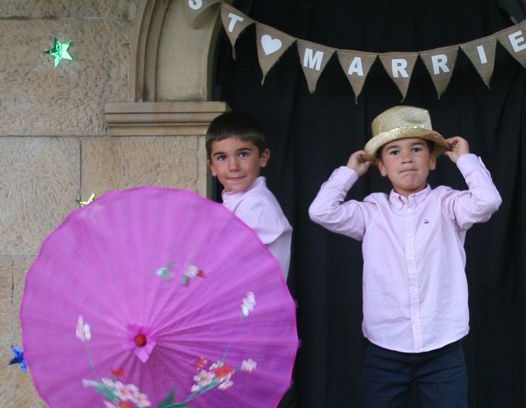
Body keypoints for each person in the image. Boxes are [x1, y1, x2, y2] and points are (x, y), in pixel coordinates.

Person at [308, 105, 502, 407]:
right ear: (381, 167)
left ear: (433, 161)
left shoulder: (448, 204)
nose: (407, 158)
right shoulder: (372, 211)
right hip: (385, 347)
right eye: (394, 152)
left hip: (443, 346)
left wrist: (465, 159)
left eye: (416, 149)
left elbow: (488, 201)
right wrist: (348, 172)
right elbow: (320, 211)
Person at [206, 112, 291, 280]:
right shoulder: (235, 202)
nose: (233, 166)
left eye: (243, 154)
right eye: (222, 157)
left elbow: (226, 265)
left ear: (263, 157)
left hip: (254, 304)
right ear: (212, 166)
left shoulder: (257, 204)